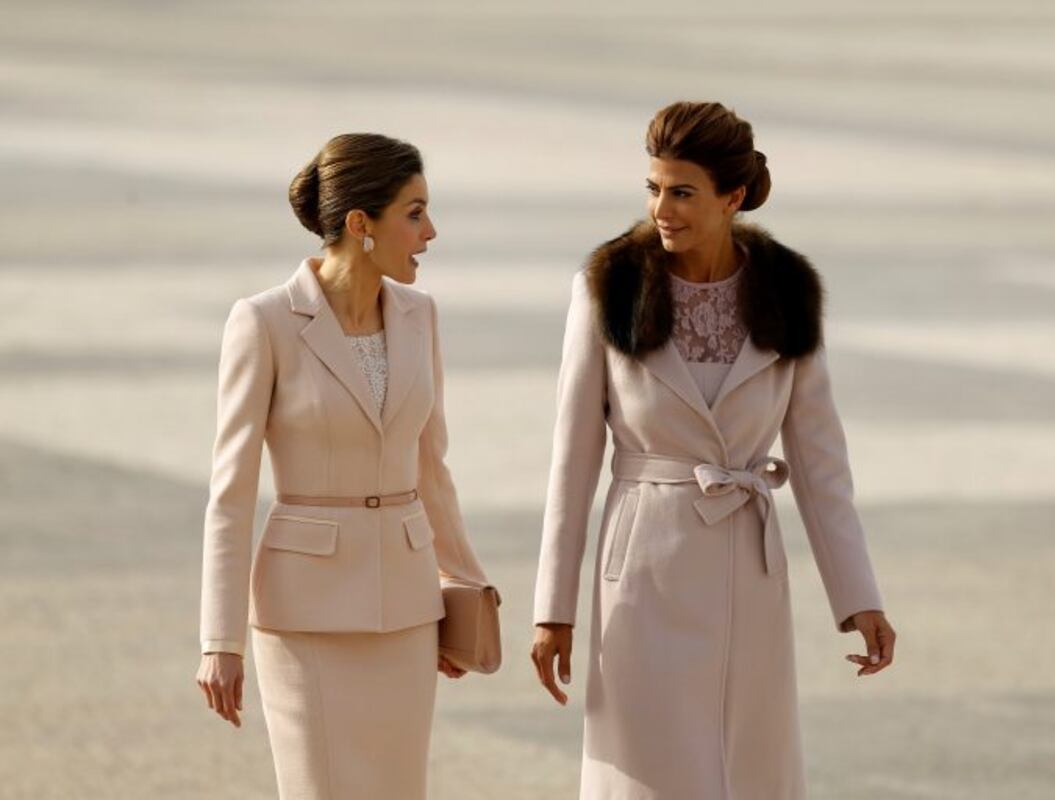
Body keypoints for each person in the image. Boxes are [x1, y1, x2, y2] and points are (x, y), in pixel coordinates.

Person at [530, 102, 896, 799]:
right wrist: (554, 609)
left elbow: (820, 462)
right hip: (642, 573)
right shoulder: (609, 284)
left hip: (748, 573)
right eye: (653, 188)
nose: (661, 209)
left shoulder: (786, 290)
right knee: (650, 770)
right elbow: (571, 460)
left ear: (733, 197)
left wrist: (859, 598)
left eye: (682, 192)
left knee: (747, 767)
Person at [194, 133, 490, 799]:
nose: (430, 232)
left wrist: (467, 590)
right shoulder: (264, 321)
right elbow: (231, 493)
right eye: (415, 213)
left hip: (407, 612)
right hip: (306, 615)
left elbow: (432, 470)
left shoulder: (421, 316)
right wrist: (220, 641)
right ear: (361, 224)